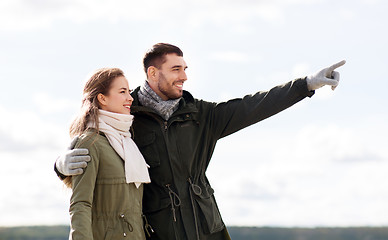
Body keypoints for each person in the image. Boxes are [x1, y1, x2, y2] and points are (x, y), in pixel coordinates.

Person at [55, 43, 346, 240]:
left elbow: (254, 106)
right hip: (157, 231)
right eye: (176, 69)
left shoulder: (202, 115)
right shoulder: (127, 117)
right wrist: (60, 164)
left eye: (185, 69)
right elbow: (91, 135)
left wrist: (306, 84)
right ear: (153, 73)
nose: (184, 76)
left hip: (206, 227)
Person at [63, 68, 150, 240]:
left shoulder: (127, 142)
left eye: (129, 91)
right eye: (122, 92)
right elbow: (80, 204)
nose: (130, 98)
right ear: (102, 98)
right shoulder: (90, 142)